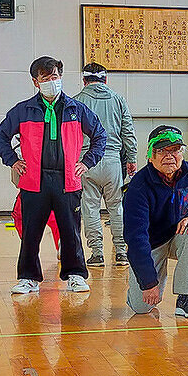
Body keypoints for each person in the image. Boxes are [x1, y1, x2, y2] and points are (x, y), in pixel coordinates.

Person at [0, 56, 107, 295]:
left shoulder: (77, 109)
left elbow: (100, 135)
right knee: (31, 233)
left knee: (71, 232)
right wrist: (12, 160)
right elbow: (0, 135)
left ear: (61, 77)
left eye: (54, 77)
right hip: (34, 181)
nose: (51, 82)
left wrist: (87, 162)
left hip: (68, 181)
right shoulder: (23, 110)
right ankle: (28, 278)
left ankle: (76, 275)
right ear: (36, 82)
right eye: (45, 78)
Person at [123, 125, 188, 318]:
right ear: (150, 155)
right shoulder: (138, 187)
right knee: (141, 307)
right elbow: (136, 238)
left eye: (175, 150)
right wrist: (148, 282)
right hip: (152, 243)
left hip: (179, 236)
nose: (169, 156)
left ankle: (186, 298)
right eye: (161, 151)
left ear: (182, 153)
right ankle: (143, 281)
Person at [74, 62, 139, 267]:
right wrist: (132, 158)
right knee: (117, 207)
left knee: (90, 207)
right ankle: (121, 252)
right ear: (105, 80)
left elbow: (69, 136)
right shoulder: (118, 99)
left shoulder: (76, 101)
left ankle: (97, 254)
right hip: (112, 160)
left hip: (86, 162)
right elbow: (128, 131)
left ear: (84, 80)